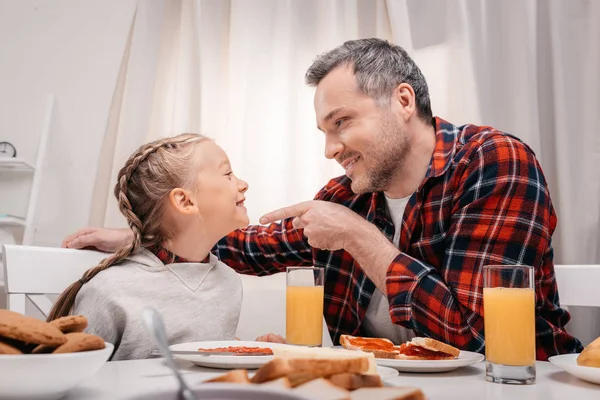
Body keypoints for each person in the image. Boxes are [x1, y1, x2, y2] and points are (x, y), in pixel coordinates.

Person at [63, 39, 583, 360]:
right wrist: (149, 233)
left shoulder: (493, 162)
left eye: (342, 123)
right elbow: (245, 246)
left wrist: (361, 240)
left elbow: (481, 338)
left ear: (403, 101)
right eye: (323, 130)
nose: (331, 149)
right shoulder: (346, 196)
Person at [51, 133, 253, 360]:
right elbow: (71, 376)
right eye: (227, 174)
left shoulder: (228, 283)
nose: (243, 185)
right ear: (185, 201)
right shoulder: (110, 290)